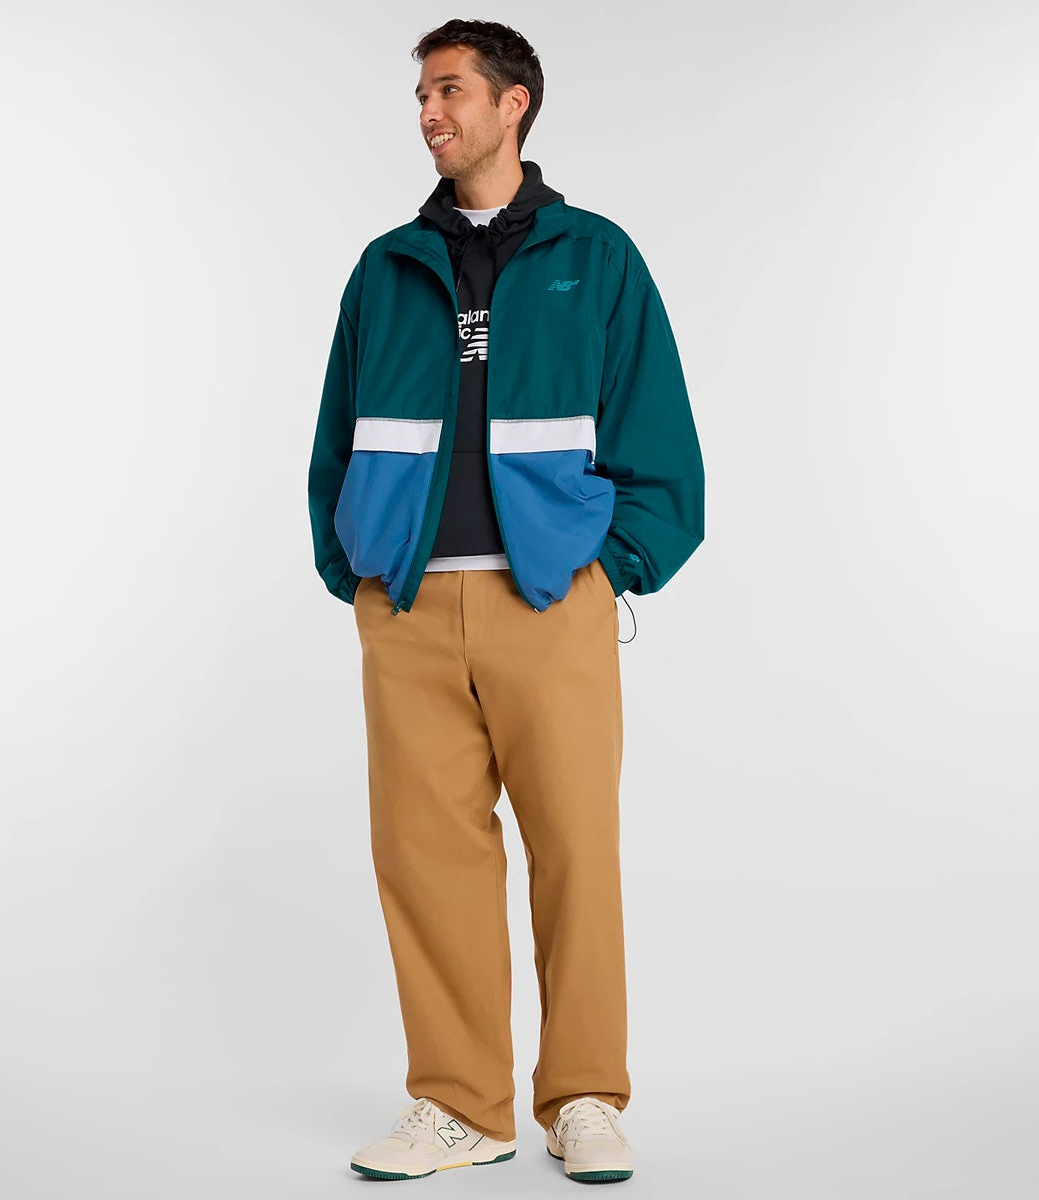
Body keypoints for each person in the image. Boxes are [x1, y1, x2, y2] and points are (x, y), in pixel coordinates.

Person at [307, 18, 704, 1185]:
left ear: (512, 102)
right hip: (410, 611)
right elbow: (335, 437)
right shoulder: (386, 266)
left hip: (551, 609)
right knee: (425, 860)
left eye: (449, 90)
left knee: (576, 854)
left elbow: (659, 438)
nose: (429, 112)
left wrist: (610, 567)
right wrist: (354, 571)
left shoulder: (598, 256)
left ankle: (582, 1096)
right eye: (421, 95)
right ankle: (458, 1105)